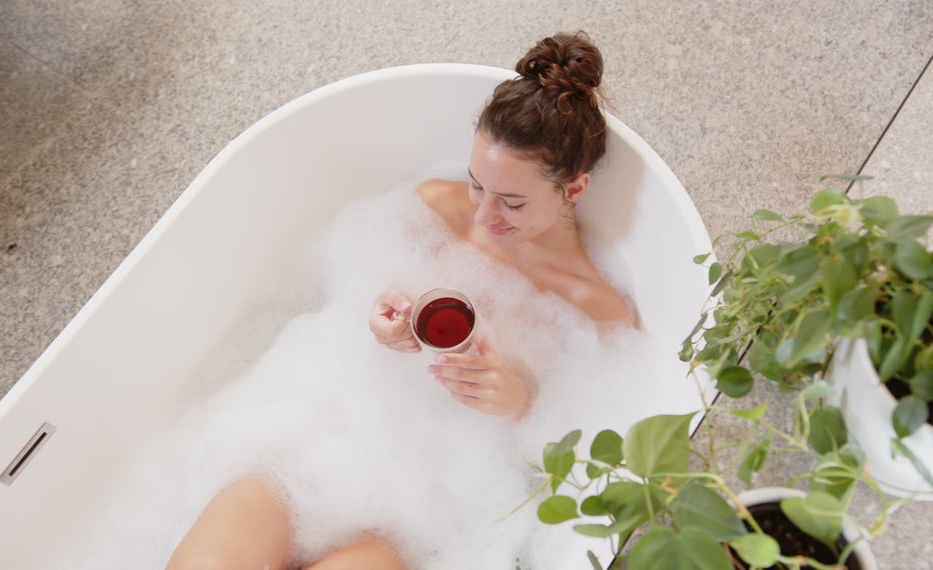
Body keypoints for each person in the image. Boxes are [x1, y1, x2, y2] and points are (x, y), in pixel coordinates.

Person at [167, 31, 630, 570]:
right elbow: (352, 294)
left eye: (512, 202)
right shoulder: (433, 206)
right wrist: (378, 320)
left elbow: (584, 436)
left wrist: (520, 404)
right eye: (478, 185)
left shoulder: (596, 310)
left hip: (429, 497)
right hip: (319, 433)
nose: (483, 215)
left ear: (573, 190)